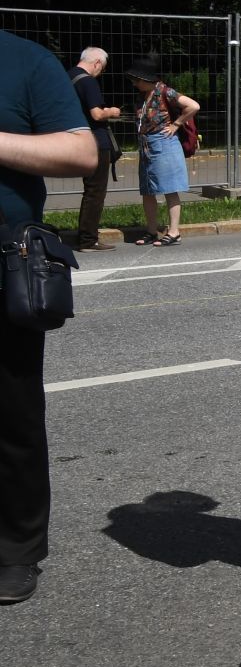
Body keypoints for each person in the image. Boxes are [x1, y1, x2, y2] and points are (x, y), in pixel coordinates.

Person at [0, 30, 99, 604]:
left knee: (10, 410)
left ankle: (14, 548)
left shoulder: (25, 61)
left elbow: (80, 151)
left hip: (6, 256)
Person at [128, 54, 198, 245]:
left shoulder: (165, 92)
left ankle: (174, 232)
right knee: (148, 190)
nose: (133, 83)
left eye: (136, 79)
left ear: (145, 79)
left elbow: (193, 106)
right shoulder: (143, 95)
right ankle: (151, 231)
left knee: (169, 188)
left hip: (164, 144)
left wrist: (176, 124)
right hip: (147, 146)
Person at [69, 46, 119, 251]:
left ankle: (85, 235)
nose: (101, 72)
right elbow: (97, 114)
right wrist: (113, 111)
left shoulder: (69, 76)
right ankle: (88, 239)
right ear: (97, 63)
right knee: (96, 191)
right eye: (103, 68)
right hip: (96, 141)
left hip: (76, 137)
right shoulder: (88, 81)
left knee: (89, 190)